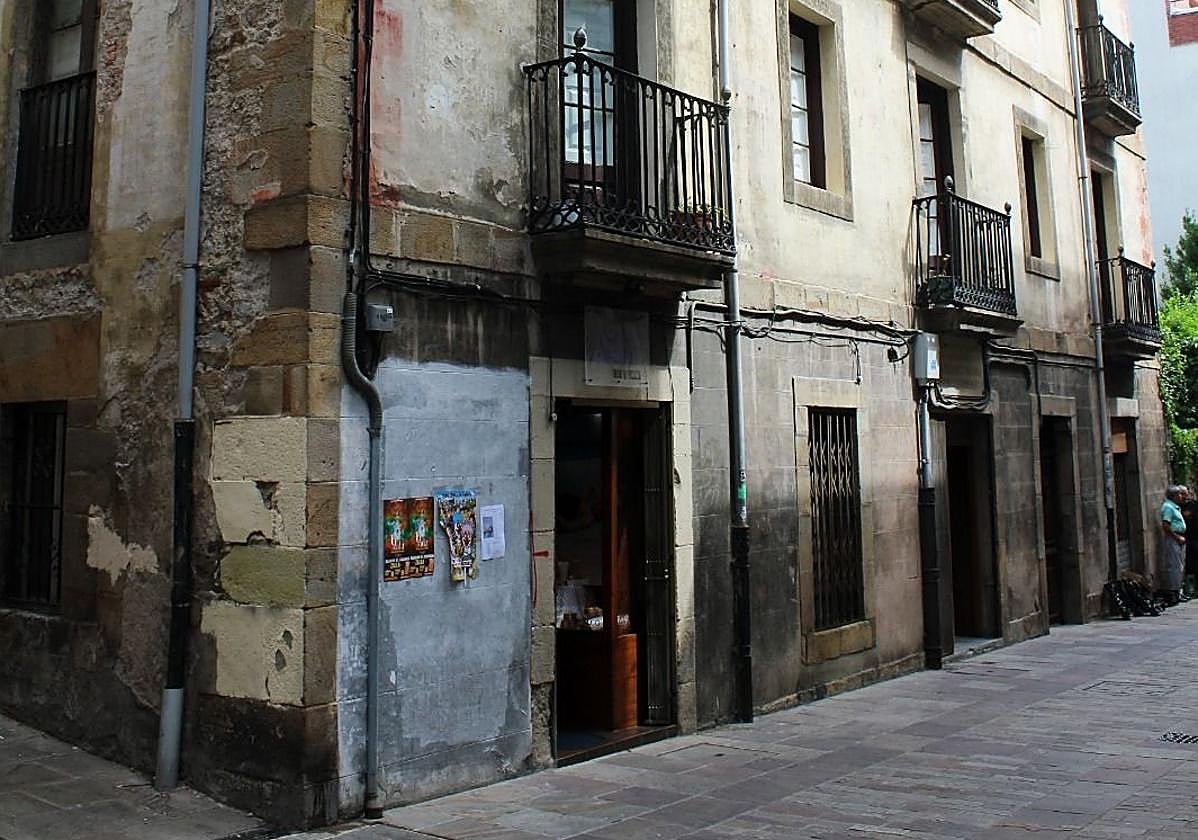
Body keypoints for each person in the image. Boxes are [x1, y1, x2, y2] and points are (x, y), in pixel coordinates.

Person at [1160, 485, 1188, 607]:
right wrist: (1176, 537)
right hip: (1174, 538)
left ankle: (1178, 591)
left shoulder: (1174, 507)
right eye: (1179, 494)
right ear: (1174, 496)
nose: (1182, 496)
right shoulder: (1168, 507)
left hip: (1179, 537)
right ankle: (1172, 592)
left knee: (1180, 565)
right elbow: (1166, 525)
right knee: (1174, 565)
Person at [1183, 487, 1198, 598]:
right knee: (1191, 563)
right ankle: (1190, 588)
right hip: (1190, 538)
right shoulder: (1189, 506)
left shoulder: (1192, 505)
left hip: (1193, 538)